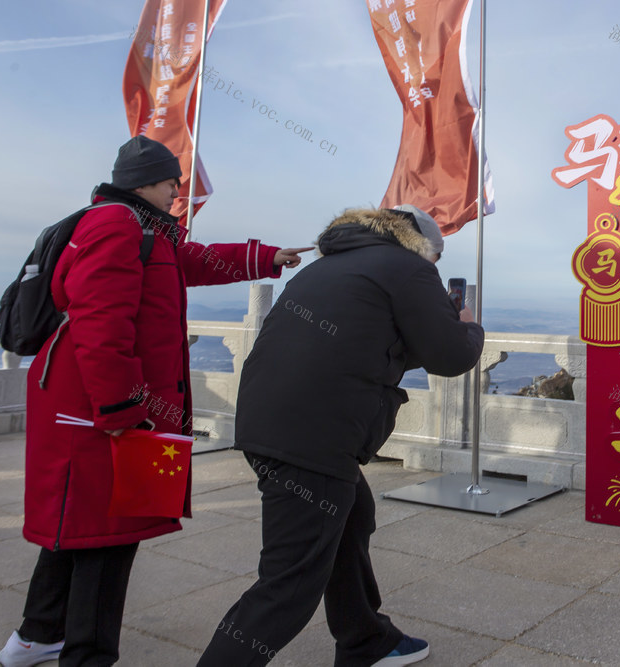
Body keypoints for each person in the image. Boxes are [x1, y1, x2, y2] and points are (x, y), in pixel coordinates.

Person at [0, 136, 311, 667]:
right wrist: (120, 410)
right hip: (104, 411)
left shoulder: (139, 229)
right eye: (171, 184)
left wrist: (266, 257)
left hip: (96, 406)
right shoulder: (116, 226)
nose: (175, 195)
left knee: (78, 526)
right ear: (145, 182)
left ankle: (36, 635)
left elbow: (195, 261)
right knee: (109, 536)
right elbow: (101, 324)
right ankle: (87, 656)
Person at [197, 205, 484, 667]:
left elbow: (365, 343)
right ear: (423, 247)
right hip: (314, 435)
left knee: (351, 514)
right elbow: (449, 357)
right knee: (288, 585)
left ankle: (366, 640)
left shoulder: (327, 266)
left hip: (266, 420)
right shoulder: (410, 268)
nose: (435, 266)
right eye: (437, 256)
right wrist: (468, 327)